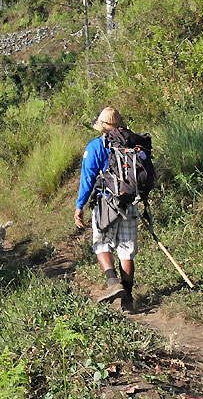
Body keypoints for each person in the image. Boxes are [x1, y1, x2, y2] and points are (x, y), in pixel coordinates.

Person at [75, 106, 138, 311]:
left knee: (102, 244)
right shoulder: (133, 144)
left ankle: (113, 282)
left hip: (106, 204)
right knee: (126, 250)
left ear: (102, 127)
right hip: (130, 203)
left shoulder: (95, 146)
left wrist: (79, 206)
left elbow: (87, 179)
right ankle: (127, 297)